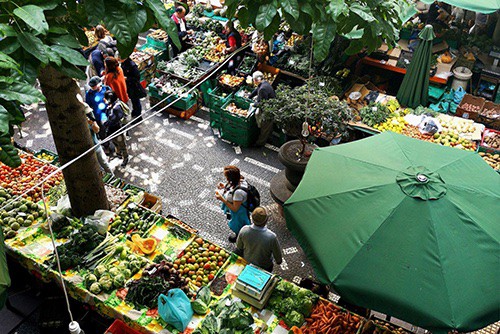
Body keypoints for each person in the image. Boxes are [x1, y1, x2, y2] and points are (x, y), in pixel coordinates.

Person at [235, 207, 283, 272]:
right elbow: (279, 260)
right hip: (265, 267)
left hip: (247, 263)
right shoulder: (271, 237)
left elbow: (239, 247)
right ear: (266, 220)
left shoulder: (244, 230)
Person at [215, 165, 251, 243]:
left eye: (226, 177)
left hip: (239, 213)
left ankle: (240, 237)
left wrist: (222, 199)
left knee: (238, 225)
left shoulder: (238, 193)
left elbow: (235, 208)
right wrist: (224, 186)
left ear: (230, 178)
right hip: (242, 209)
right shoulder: (241, 180)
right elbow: (232, 188)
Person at [84, 103, 113, 176]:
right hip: (85, 150)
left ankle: (112, 177)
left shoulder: (90, 116)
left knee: (104, 163)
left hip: (95, 145)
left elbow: (97, 130)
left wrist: (91, 124)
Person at [249, 71, 276, 147]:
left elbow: (262, 103)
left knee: (265, 126)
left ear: (256, 80)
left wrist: (253, 104)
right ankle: (268, 136)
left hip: (269, 110)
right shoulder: (264, 83)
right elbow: (256, 90)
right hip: (269, 106)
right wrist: (249, 97)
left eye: (254, 79)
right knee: (267, 126)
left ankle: (260, 143)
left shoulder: (263, 89)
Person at [103, 90, 129, 167]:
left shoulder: (116, 109)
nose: (104, 99)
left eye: (105, 98)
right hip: (112, 130)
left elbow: (114, 120)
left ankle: (125, 157)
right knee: (115, 143)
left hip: (117, 130)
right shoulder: (111, 106)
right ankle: (118, 153)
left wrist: (106, 123)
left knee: (122, 145)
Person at [85, 76, 111, 142]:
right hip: (98, 118)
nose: (93, 87)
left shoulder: (106, 89)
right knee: (102, 133)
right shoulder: (89, 94)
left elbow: (112, 99)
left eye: (94, 86)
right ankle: (106, 145)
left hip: (109, 114)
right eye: (91, 86)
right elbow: (89, 107)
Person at [121, 57, 147, 122]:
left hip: (134, 87)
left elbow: (137, 77)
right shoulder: (123, 63)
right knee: (133, 100)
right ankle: (135, 111)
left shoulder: (132, 65)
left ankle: (138, 117)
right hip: (129, 86)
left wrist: (127, 78)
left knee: (136, 101)